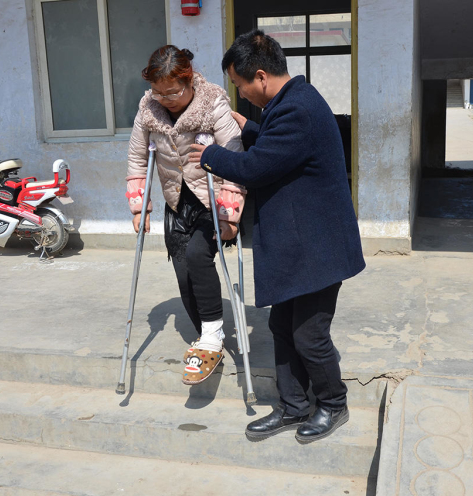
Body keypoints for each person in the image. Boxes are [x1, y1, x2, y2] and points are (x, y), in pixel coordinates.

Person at [189, 30, 365, 443]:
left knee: (309, 334)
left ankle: (333, 403)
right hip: (300, 245)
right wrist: (250, 127)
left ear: (261, 77)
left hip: (319, 248)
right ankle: (293, 406)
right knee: (282, 325)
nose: (241, 93)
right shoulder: (291, 102)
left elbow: (257, 167)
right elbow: (279, 147)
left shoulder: (297, 110)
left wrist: (210, 156)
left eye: (240, 85)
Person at [126, 45, 246, 385]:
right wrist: (139, 208)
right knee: (185, 276)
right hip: (177, 201)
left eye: (173, 92)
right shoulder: (148, 109)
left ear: (189, 81)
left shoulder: (213, 103)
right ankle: (209, 335)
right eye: (158, 92)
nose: (165, 99)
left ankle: (211, 336)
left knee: (197, 255)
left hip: (212, 199)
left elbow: (236, 158)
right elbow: (137, 159)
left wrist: (229, 215)